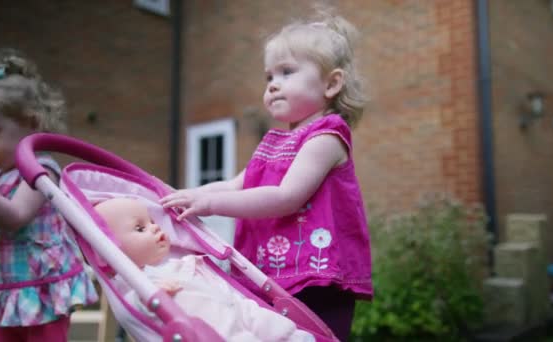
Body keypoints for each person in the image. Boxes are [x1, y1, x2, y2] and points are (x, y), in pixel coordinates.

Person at [159, 11, 372, 341]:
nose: (273, 84)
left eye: (287, 72)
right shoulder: (275, 142)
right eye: (268, 76)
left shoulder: (326, 136)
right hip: (273, 274)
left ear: (331, 83)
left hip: (315, 278)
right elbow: (235, 185)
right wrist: (189, 194)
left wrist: (211, 204)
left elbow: (287, 197)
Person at [0, 49, 98, 342]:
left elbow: (14, 217)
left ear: (31, 123)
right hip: (2, 287)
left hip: (40, 288)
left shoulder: (40, 170)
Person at [94, 197, 315, 342]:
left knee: (262, 318)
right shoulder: (137, 283)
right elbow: (132, 307)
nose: (154, 227)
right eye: (140, 227)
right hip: (217, 330)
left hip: (235, 306)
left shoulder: (178, 262)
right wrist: (148, 296)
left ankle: (292, 337)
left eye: (152, 221)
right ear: (111, 250)